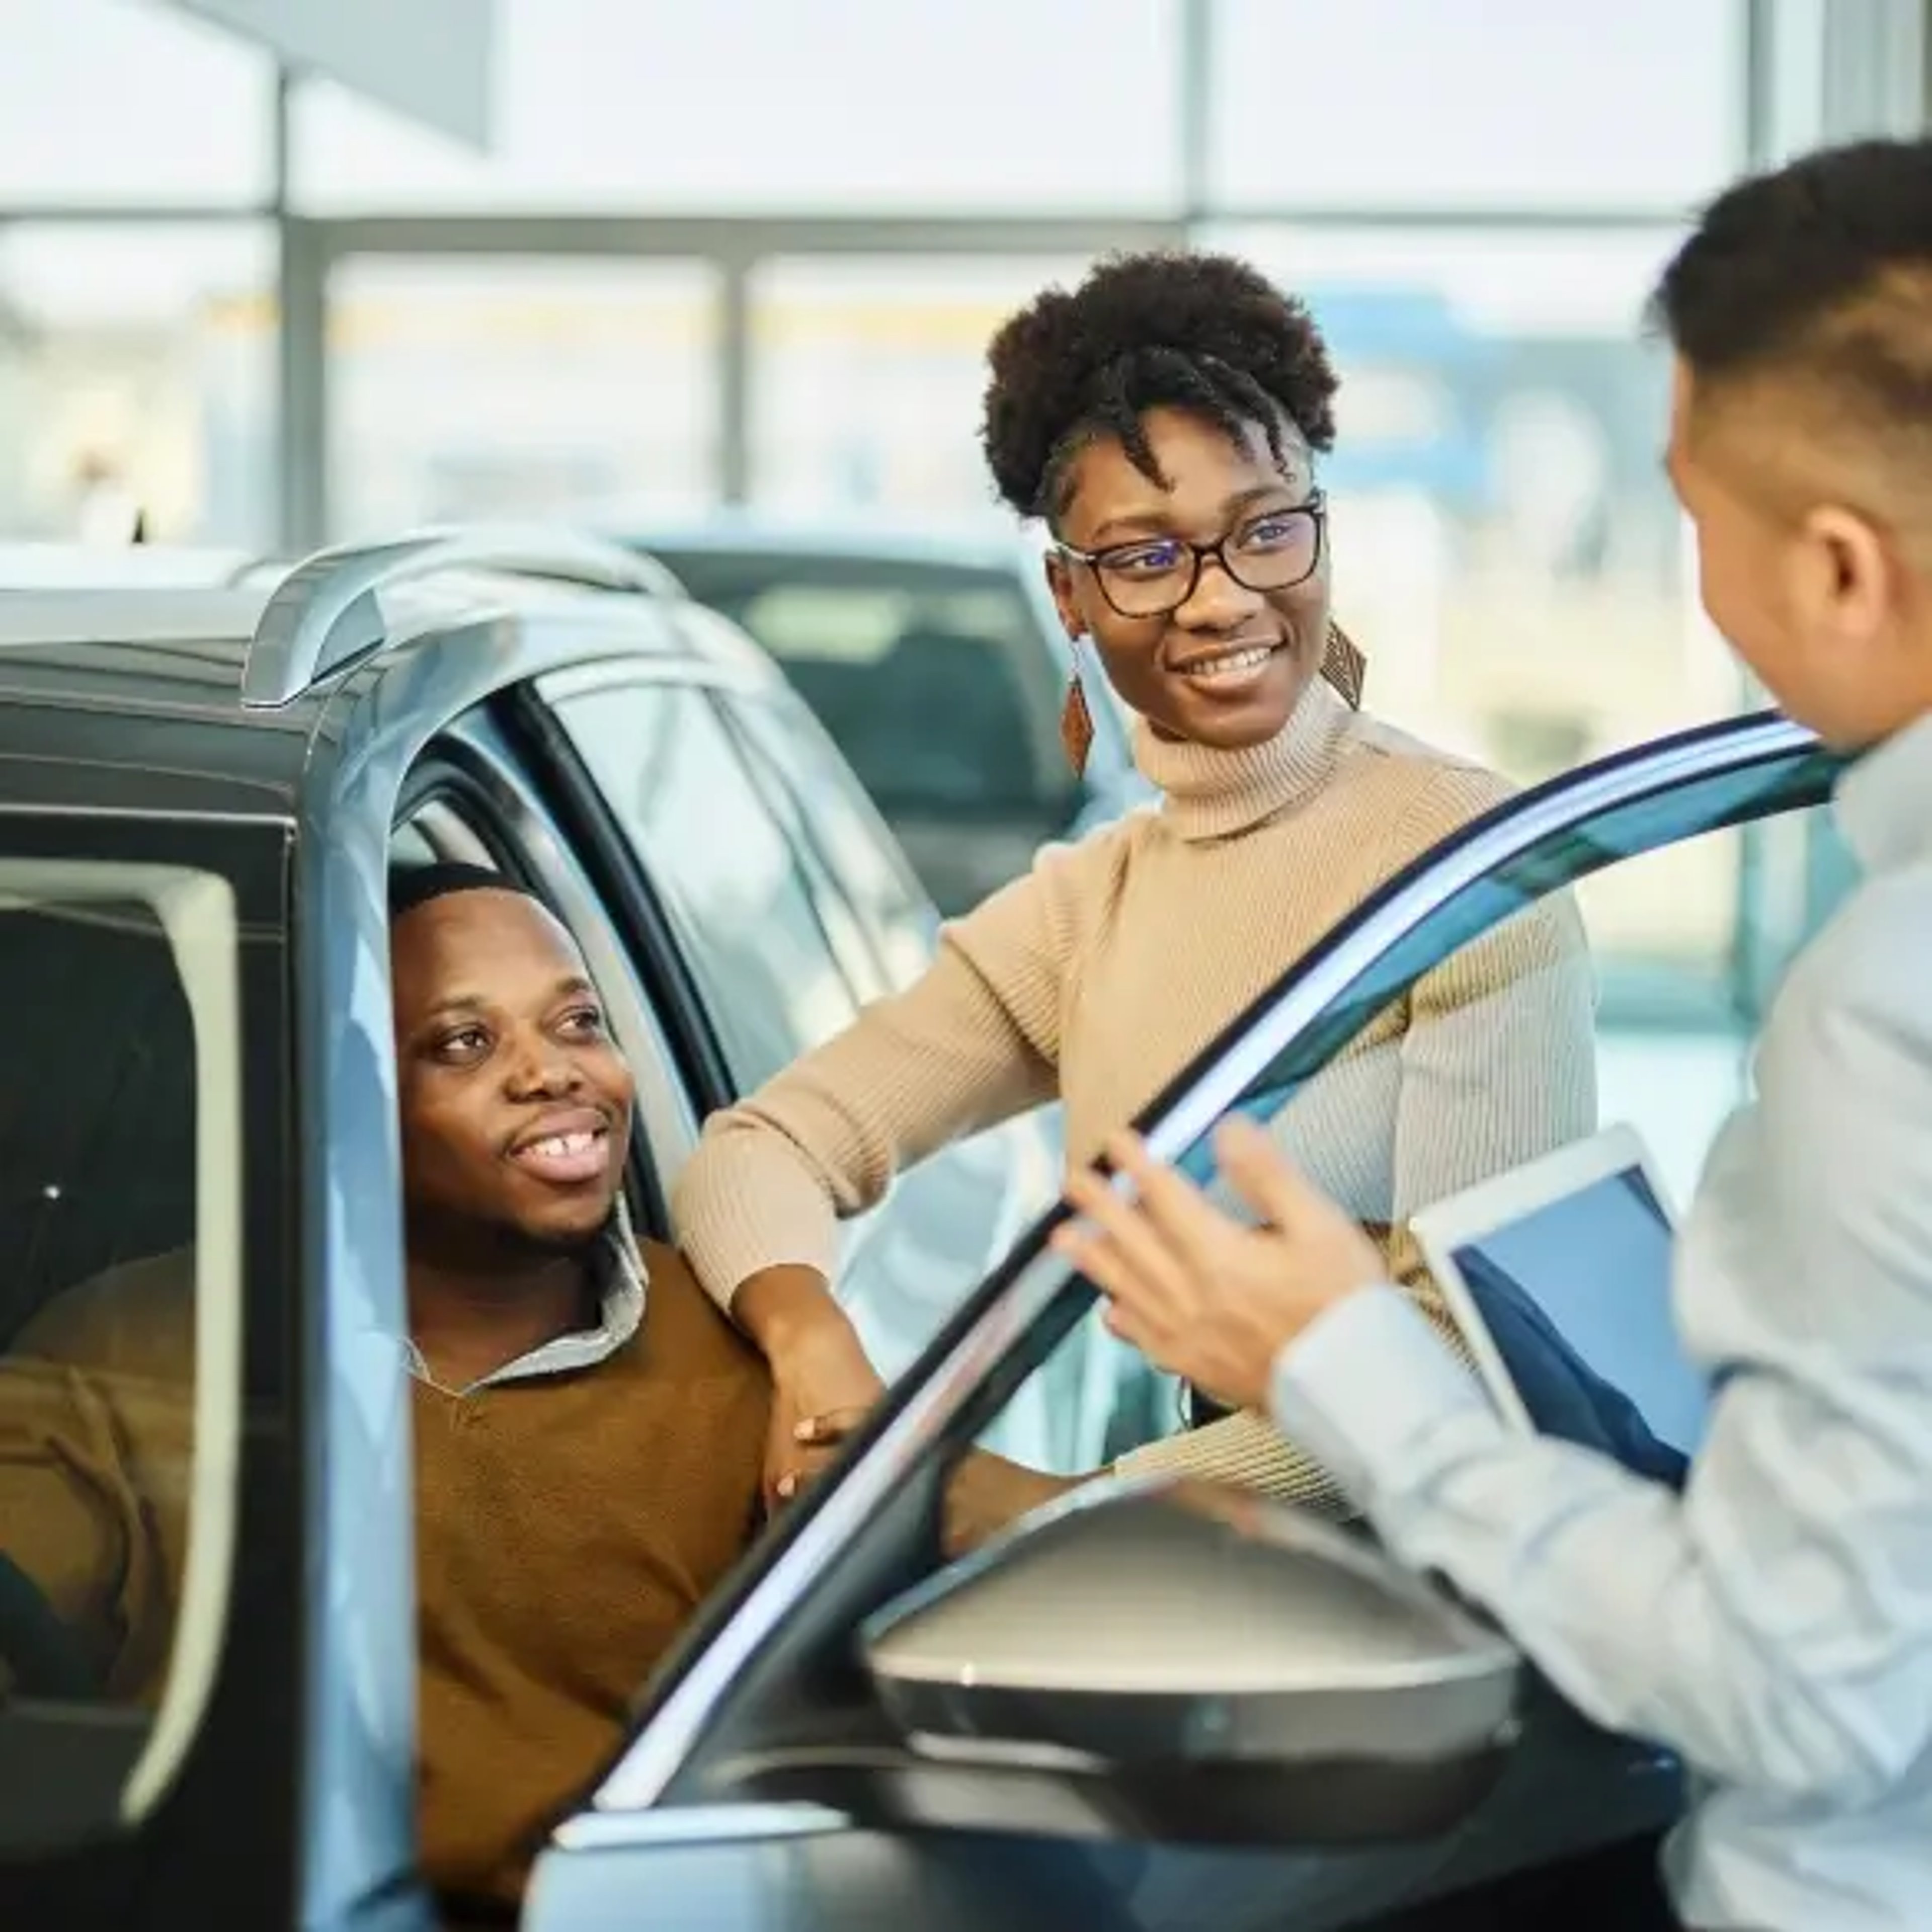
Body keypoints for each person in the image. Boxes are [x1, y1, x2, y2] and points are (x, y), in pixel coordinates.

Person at [1055, 138, 1932, 1932]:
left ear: (1839, 568)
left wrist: (1346, 1361)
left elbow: (1800, 1693)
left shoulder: (1887, 1012)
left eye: (1693, 514)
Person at [672, 250, 1598, 1531]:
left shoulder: (1472, 864)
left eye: (1266, 530)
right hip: (1201, 1549)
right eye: (1145, 557)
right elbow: (763, 1149)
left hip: (1427, 1570)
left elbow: (1467, 1364)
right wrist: (814, 1349)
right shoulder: (1090, 907)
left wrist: (1062, 1509)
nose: (1221, 600)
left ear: (1320, 528)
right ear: (1069, 594)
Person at [0, 863, 769, 1915]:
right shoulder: (121, 1351)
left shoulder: (742, 1354)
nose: (553, 1074)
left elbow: (1009, 1561)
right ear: (346, 1102)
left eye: (579, 1021)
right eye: (465, 1041)